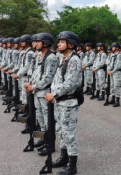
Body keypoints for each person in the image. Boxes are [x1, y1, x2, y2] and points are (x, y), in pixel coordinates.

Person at [45, 31, 82, 175]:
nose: (59, 43)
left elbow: (70, 84)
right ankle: (63, 157)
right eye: (59, 41)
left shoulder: (74, 60)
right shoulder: (63, 58)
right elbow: (57, 79)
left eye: (62, 41)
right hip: (59, 102)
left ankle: (72, 166)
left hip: (68, 103)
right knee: (61, 131)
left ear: (70, 44)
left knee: (69, 133)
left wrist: (53, 93)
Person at [25, 33, 59, 156]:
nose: (35, 44)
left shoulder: (51, 57)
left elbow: (48, 78)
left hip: (45, 92)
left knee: (48, 119)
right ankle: (45, 139)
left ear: (45, 43)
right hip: (37, 92)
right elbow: (36, 73)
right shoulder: (41, 56)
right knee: (41, 118)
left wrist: (33, 86)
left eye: (38, 42)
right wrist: (30, 83)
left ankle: (50, 144)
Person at [107, 42, 121, 107]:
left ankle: (117, 101)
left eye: (114, 47)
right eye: (112, 47)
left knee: (116, 87)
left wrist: (112, 71)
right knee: (112, 86)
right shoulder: (112, 55)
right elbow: (109, 63)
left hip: (116, 73)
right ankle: (113, 99)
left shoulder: (119, 55)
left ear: (117, 48)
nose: (112, 48)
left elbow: (118, 65)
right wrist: (108, 70)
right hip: (111, 72)